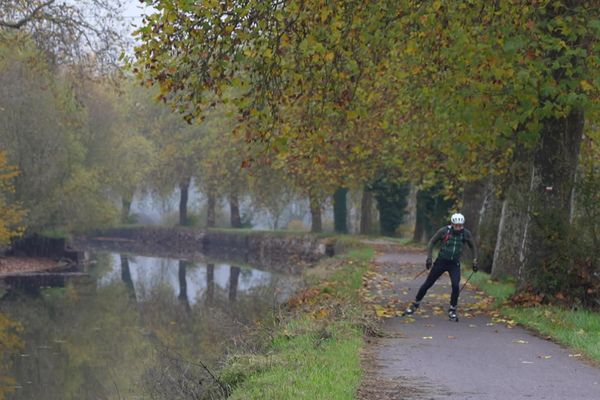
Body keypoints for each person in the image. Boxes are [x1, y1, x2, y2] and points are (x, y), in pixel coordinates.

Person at [404, 213, 478, 321]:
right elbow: (432, 242)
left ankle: (452, 309)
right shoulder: (444, 231)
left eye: (460, 225)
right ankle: (415, 304)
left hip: (454, 264)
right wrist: (429, 258)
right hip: (441, 261)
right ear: (452, 224)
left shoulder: (465, 234)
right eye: (456, 225)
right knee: (428, 283)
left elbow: (473, 246)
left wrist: (475, 261)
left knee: (456, 285)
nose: (458, 227)